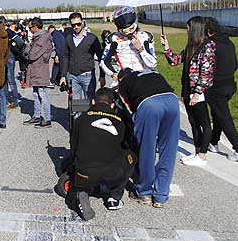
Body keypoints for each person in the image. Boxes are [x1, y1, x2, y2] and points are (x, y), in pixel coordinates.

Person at [65, 88, 136, 220]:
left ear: (93, 102)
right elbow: (125, 145)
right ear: (112, 105)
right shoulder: (120, 122)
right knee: (131, 157)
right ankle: (114, 198)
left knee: (84, 172)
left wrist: (73, 168)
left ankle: (83, 191)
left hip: (84, 173)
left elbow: (73, 146)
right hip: (111, 173)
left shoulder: (81, 120)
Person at [118, 68, 180, 208]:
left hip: (149, 105)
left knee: (147, 149)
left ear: (120, 78)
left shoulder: (123, 84)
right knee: (168, 150)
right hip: (172, 101)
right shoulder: (152, 73)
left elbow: (128, 112)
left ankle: (144, 191)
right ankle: (161, 195)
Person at [163, 16, 216, 167]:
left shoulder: (207, 47)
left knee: (204, 123)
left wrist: (198, 93)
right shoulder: (190, 46)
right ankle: (197, 152)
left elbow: (206, 73)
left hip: (198, 92)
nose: (186, 30)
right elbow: (174, 61)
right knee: (193, 122)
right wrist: (166, 47)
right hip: (187, 89)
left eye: (188, 27)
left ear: (195, 29)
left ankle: (202, 156)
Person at [204, 18, 238, 161]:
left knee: (224, 117)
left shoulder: (211, 45)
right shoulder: (228, 42)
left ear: (208, 32)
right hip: (230, 84)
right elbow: (235, 64)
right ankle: (214, 143)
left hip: (217, 87)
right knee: (218, 115)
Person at [100, 6, 157, 83]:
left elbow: (153, 64)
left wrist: (140, 49)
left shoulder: (146, 36)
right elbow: (104, 61)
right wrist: (113, 73)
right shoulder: (113, 38)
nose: (125, 23)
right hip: (124, 79)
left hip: (144, 79)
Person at [59, 12, 102, 101]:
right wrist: (63, 76)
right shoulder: (68, 38)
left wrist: (102, 76)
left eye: (78, 24)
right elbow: (66, 57)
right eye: (73, 25)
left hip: (87, 76)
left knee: (89, 103)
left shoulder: (92, 38)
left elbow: (100, 57)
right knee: (75, 106)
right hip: (72, 76)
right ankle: (77, 115)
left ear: (82, 22)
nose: (76, 27)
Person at [23, 17, 54, 128]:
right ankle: (37, 115)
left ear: (35, 27)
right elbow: (27, 52)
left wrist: (28, 48)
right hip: (36, 69)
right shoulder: (37, 38)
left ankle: (47, 118)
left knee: (43, 94)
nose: (29, 29)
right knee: (36, 94)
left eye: (30, 27)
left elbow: (31, 55)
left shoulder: (42, 39)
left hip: (40, 70)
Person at [0, 16, 23, 109]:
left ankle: (11, 100)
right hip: (8, 57)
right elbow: (20, 42)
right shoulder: (8, 32)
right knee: (7, 80)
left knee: (8, 80)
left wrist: (13, 49)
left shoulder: (6, 32)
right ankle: (9, 100)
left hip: (7, 57)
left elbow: (20, 42)